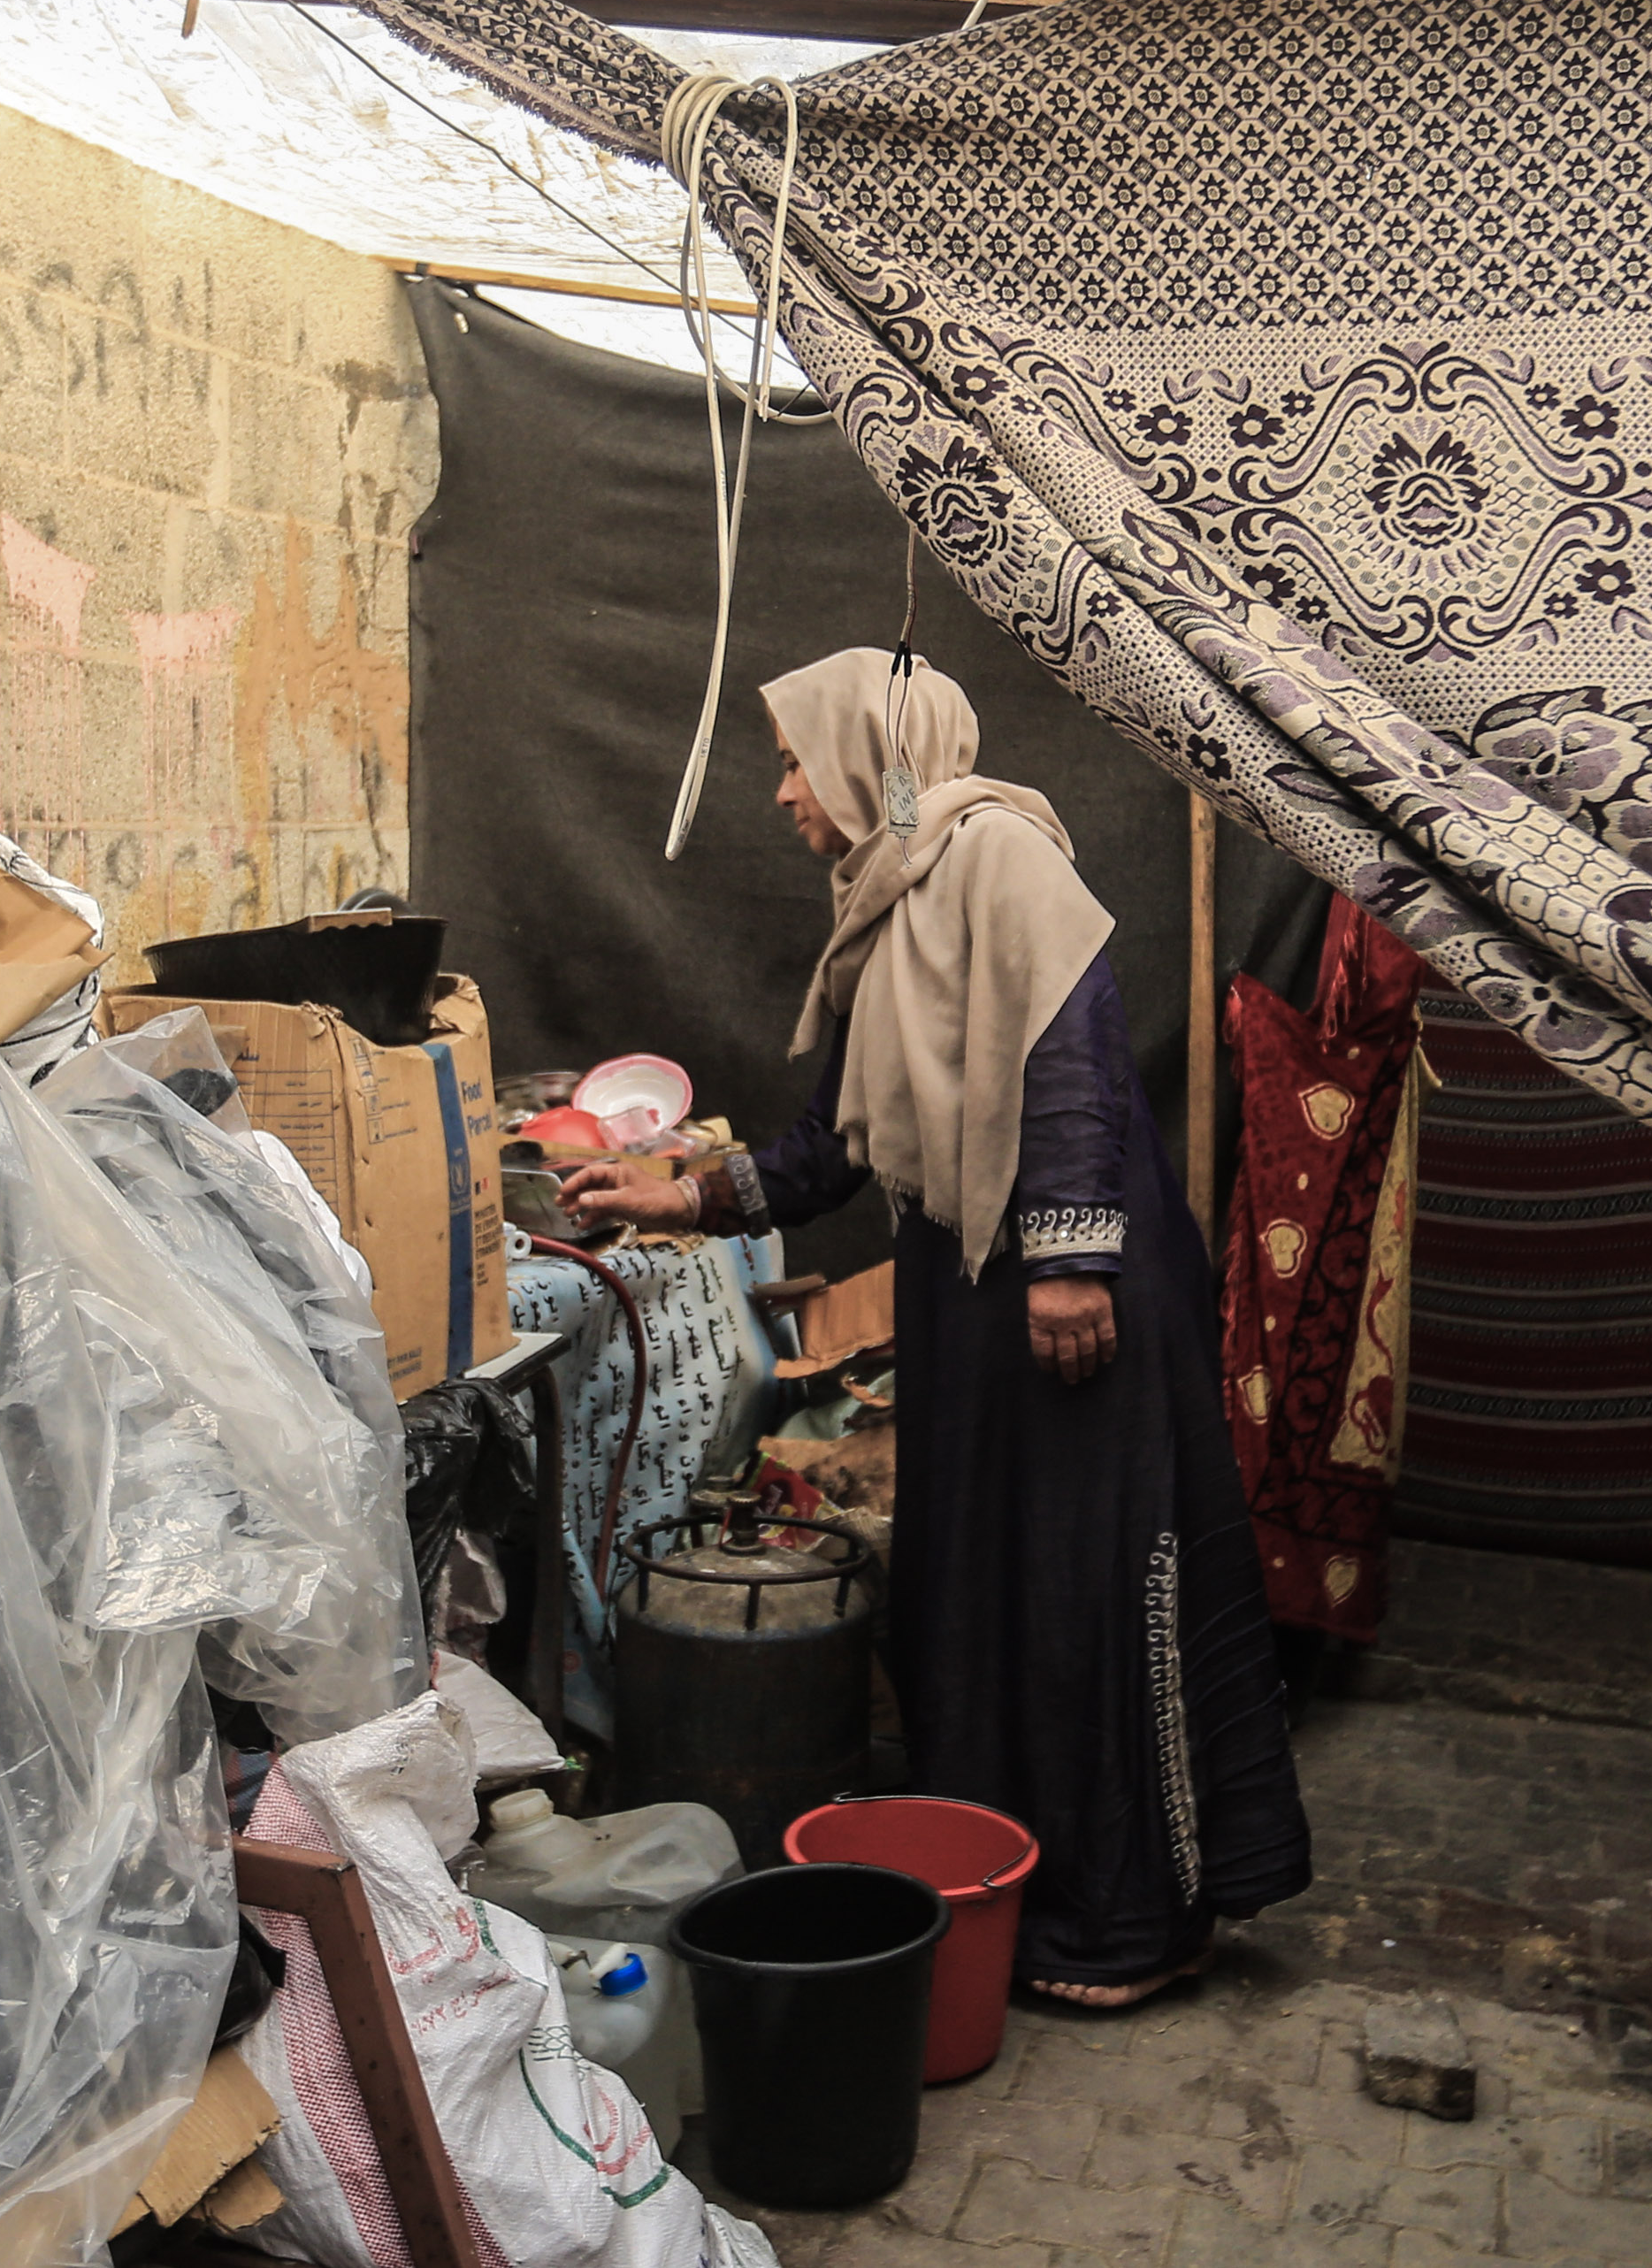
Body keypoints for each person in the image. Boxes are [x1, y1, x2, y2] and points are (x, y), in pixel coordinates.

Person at [560, 647, 1312, 2005]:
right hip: (971, 1301)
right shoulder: (887, 899)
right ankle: (1015, 1882)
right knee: (986, 1595)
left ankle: (1137, 1915)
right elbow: (834, 1145)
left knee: (1088, 1596)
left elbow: (1070, 1046)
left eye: (798, 757)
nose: (782, 788)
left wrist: (1069, 1260)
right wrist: (682, 1193)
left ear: (873, 760)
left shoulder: (992, 856)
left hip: (1066, 1299)